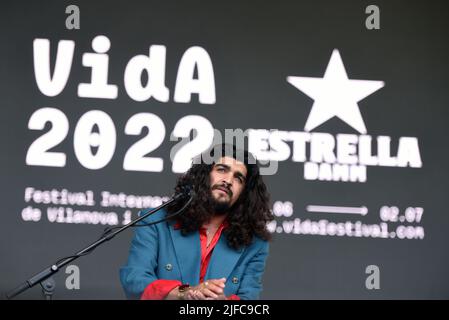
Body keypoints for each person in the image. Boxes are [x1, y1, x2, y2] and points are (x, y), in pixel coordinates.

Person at [119, 143, 274, 300]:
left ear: (244, 193)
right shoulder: (156, 221)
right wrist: (185, 292)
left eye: (238, 178)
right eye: (222, 170)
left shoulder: (254, 243)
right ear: (205, 174)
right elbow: (135, 280)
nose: (228, 180)